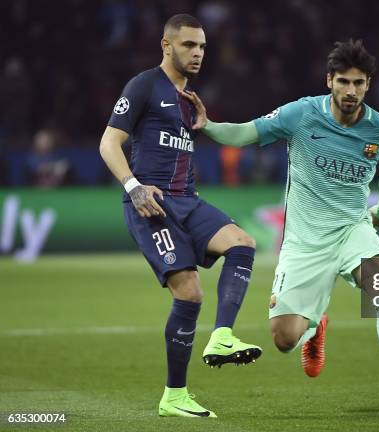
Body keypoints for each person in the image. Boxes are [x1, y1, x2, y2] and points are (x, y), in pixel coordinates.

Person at [181, 39, 379, 413]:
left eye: (358, 83)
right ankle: (315, 326)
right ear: (329, 80)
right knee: (284, 339)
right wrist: (209, 126)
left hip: (351, 230)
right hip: (303, 242)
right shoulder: (302, 115)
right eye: (343, 81)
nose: (350, 91)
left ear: (368, 86)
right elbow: (247, 133)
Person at [99, 14, 261, 419]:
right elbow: (108, 142)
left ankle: (222, 336)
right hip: (150, 202)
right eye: (189, 45)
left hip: (187, 200)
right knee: (189, 292)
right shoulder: (143, 85)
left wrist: (205, 127)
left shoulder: (190, 99)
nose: (198, 53)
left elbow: (177, 151)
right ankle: (174, 395)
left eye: (202, 46)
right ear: (166, 46)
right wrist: (133, 186)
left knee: (243, 243)